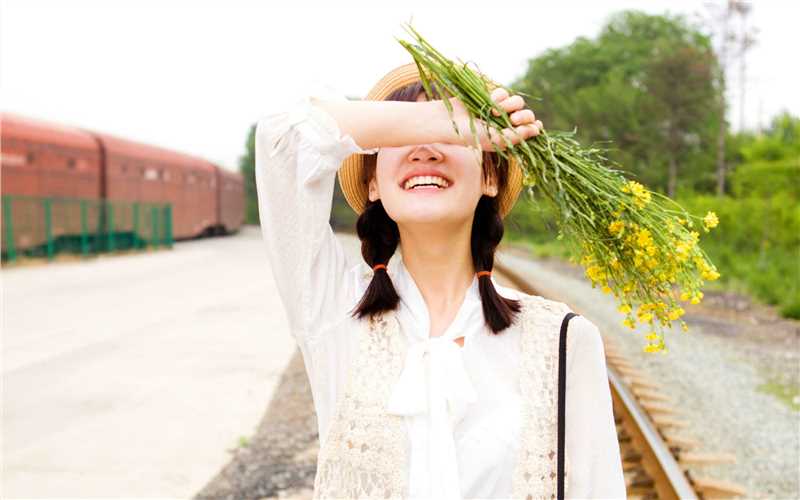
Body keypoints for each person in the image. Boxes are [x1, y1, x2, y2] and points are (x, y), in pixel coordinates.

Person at [254, 62, 626, 499]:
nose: (425, 150)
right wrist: (439, 120)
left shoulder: (563, 341)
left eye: (454, 137)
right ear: (373, 184)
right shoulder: (334, 309)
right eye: (401, 139)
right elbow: (283, 140)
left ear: (489, 177)